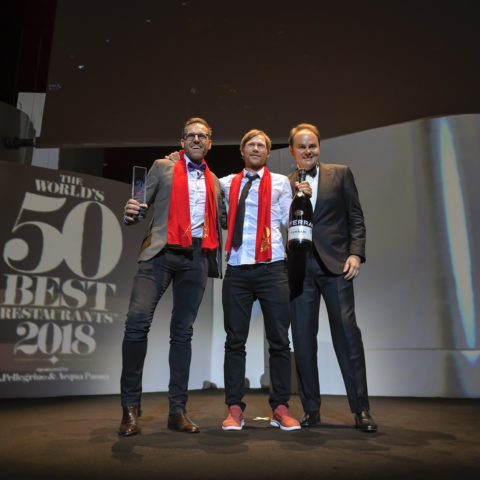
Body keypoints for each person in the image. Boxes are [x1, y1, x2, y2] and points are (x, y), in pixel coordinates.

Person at [119, 117, 223, 436]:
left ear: (209, 142)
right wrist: (130, 213)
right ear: (182, 141)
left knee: (183, 333)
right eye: (190, 135)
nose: (196, 140)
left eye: (201, 136)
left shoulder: (215, 182)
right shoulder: (162, 167)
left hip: (196, 257)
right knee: (137, 323)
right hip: (161, 253)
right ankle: (130, 410)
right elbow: (139, 207)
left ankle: (177, 410)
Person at [287, 123, 377, 433]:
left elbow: (356, 217)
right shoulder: (284, 183)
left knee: (348, 336)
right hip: (300, 271)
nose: (308, 151)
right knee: (302, 340)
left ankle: (361, 410)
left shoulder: (340, 174)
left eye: (312, 145)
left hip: (337, 266)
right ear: (292, 151)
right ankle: (311, 410)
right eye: (302, 146)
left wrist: (356, 253)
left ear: (319, 147)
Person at [220, 129, 301, 431]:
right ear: (242, 151)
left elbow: (288, 222)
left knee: (280, 341)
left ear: (268, 153)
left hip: (272, 267)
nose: (256, 148)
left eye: (262, 145)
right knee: (234, 342)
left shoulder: (281, 182)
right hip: (238, 269)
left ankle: (280, 407)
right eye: (250, 144)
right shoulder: (226, 183)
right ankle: (233, 409)